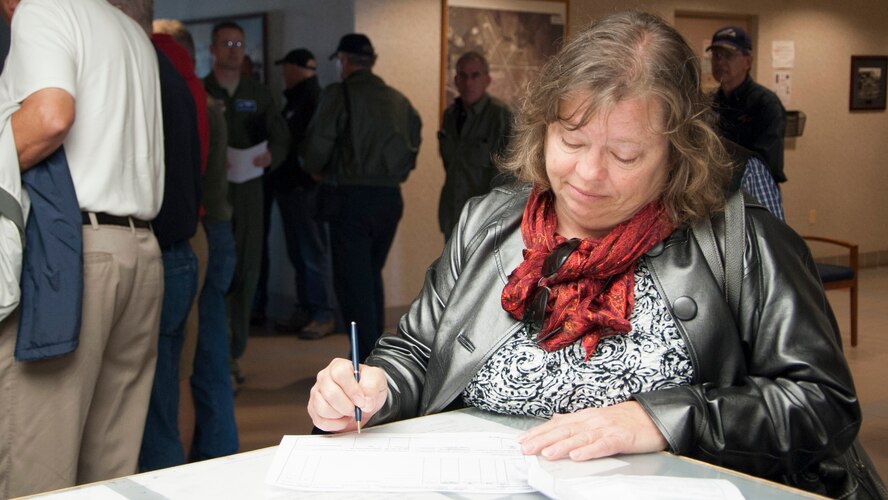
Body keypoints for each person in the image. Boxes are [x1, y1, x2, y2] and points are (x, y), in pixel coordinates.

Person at [307, 11, 859, 494]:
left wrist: (663, 419)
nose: (590, 175)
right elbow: (418, 352)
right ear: (543, 130)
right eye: (571, 142)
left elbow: (821, 405)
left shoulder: (742, 241)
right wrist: (373, 386)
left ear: (678, 153)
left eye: (625, 154)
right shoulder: (489, 222)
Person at [0, 0, 164, 496]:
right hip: (140, 251)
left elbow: (50, 117)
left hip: (72, 255)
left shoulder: (43, 10)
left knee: (38, 468)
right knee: (109, 465)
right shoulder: (131, 30)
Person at [108, 2, 202, 473]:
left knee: (145, 412)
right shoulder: (171, 72)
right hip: (178, 251)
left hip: (159, 254)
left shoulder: (138, 70)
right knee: (165, 392)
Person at [303, 33, 421, 361]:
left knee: (353, 286)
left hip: (350, 199)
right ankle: (376, 354)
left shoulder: (338, 95)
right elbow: (412, 147)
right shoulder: (399, 100)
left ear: (343, 61)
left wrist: (315, 169)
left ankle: (365, 362)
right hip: (389, 199)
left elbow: (317, 149)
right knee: (369, 276)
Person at [203, 21, 289, 383]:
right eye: (226, 43)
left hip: (250, 190)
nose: (233, 50)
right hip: (214, 193)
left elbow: (280, 137)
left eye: (239, 43)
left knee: (247, 270)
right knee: (216, 271)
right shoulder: (202, 90)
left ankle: (235, 350)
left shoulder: (259, 92)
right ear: (212, 49)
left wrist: (273, 156)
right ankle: (216, 352)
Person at [266, 48, 335, 338]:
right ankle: (305, 309)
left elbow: (314, 144)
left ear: (297, 69)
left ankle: (321, 313)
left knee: (310, 253)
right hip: (290, 188)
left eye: (286, 67)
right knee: (299, 253)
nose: (283, 73)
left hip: (305, 190)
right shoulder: (295, 100)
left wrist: (312, 173)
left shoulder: (313, 101)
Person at [438, 51, 513, 242]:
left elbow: (507, 175)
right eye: (462, 76)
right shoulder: (451, 115)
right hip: (453, 215)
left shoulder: (500, 116)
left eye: (475, 75)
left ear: (487, 80)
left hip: (484, 220)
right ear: (455, 80)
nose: (468, 82)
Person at [708, 26, 787, 185]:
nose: (720, 62)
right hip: (717, 194)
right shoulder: (710, 103)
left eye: (728, 55)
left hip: (755, 194)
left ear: (748, 61)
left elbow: (767, 163)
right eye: (716, 55)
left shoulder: (766, 104)